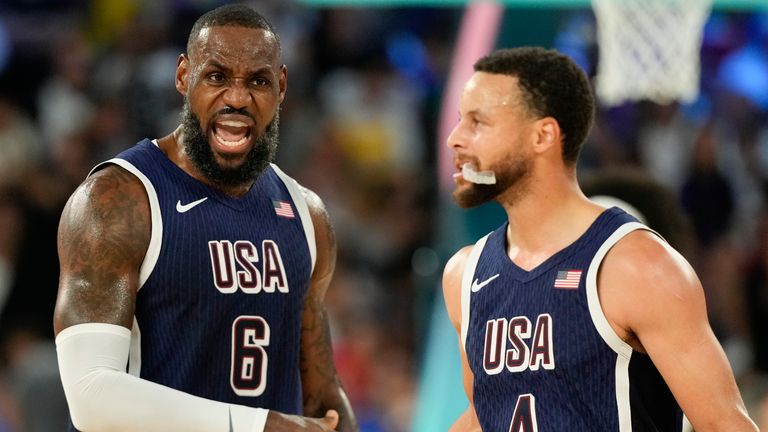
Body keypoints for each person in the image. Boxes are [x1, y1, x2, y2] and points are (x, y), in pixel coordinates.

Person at [53, 5, 357, 432]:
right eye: (216, 77)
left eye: (258, 81)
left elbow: (322, 397)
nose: (237, 98)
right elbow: (90, 395)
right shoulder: (118, 199)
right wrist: (256, 426)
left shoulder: (306, 213)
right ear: (183, 76)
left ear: (282, 86)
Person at [441, 47, 758, 431]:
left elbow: (725, 425)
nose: (454, 139)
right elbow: (483, 416)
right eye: (460, 120)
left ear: (543, 135)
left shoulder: (637, 266)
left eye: (477, 122)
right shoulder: (464, 274)